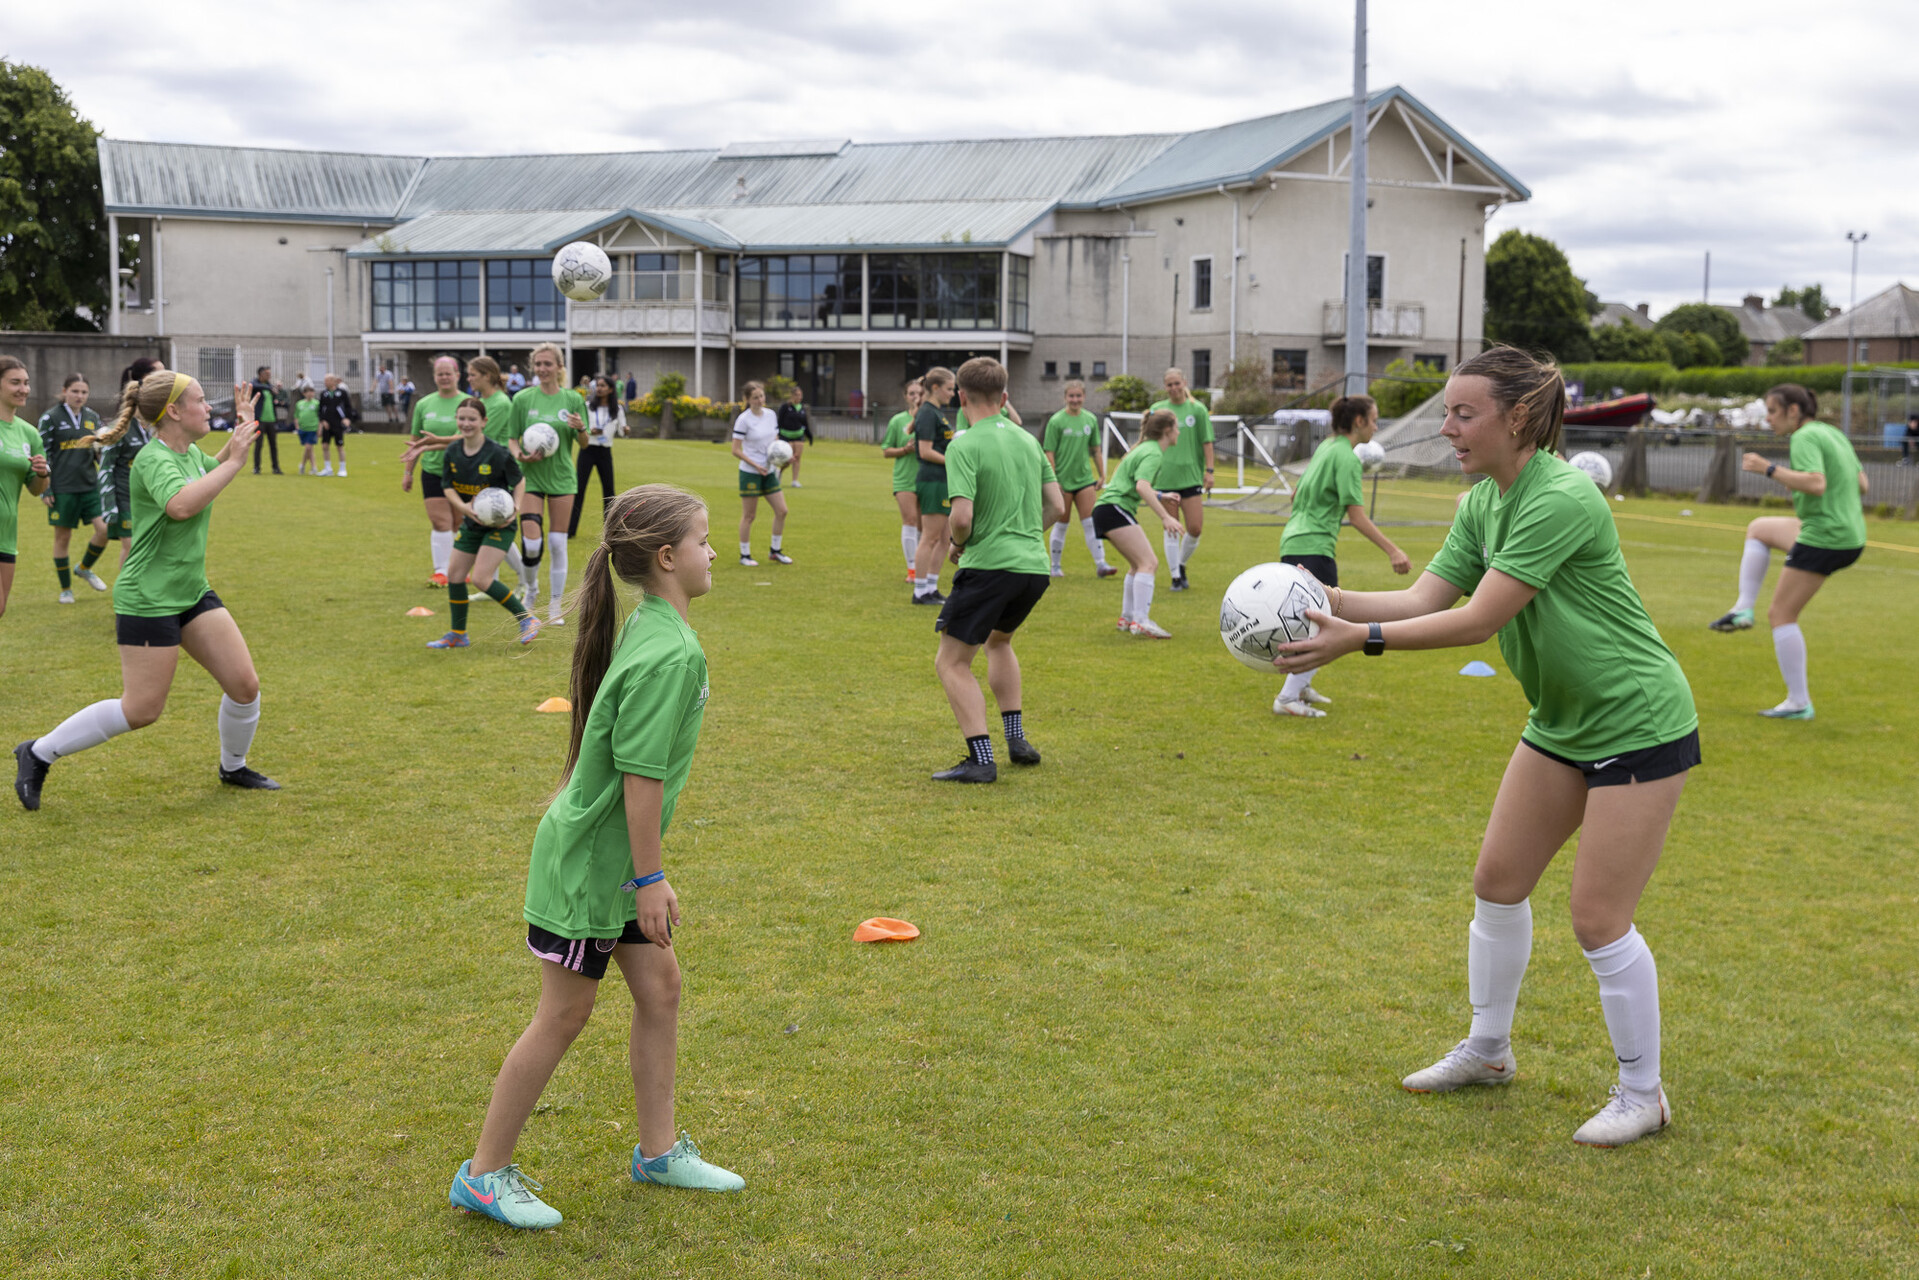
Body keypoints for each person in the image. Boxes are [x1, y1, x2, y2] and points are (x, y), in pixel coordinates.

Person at [1274, 346, 1696, 1148]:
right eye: (1446, 412)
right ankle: (1488, 1050)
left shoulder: (1560, 496)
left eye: (1462, 414)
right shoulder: (1480, 502)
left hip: (1636, 720)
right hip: (1560, 721)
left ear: (1518, 418)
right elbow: (1421, 597)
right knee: (1497, 884)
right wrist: (1320, 595)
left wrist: (1357, 639)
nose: (1446, 428)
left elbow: (1476, 620)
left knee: (1597, 918)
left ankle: (1643, 1094)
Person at [449, 483, 743, 1231]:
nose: (714, 553)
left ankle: (658, 1152)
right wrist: (650, 877)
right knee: (565, 1012)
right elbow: (641, 780)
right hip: (591, 866)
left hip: (614, 861)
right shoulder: (667, 651)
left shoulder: (658, 626)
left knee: (661, 988)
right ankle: (482, 1175)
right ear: (668, 557)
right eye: (704, 540)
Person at [15, 371, 279, 810]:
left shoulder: (187, 453)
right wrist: (235, 462)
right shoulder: (153, 459)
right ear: (173, 411)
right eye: (200, 400)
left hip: (190, 590)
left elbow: (208, 471)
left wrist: (241, 430)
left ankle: (233, 767)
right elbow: (181, 505)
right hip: (148, 598)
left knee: (245, 686)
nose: (208, 407)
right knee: (141, 710)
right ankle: (38, 752)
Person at [931, 358, 1064, 783]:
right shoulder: (1028, 441)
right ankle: (1017, 739)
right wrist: (1025, 536)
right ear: (1005, 397)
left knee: (951, 662)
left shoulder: (963, 445)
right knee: (999, 641)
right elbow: (1057, 506)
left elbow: (962, 518)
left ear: (961, 397)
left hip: (989, 566)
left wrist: (958, 544)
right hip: (1033, 567)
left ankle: (981, 759)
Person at [1707, 383, 1868, 720]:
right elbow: (1862, 484)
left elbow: (1816, 483)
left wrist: (1768, 469)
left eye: (1772, 411)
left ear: (1793, 411)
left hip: (1825, 536)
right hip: (1850, 534)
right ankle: (1742, 609)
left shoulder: (1804, 437)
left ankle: (1798, 703)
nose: (1767, 418)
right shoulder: (1832, 433)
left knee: (1781, 615)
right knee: (1759, 528)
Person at [1272, 393, 1411, 718]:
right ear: (1359, 421)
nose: (1376, 427)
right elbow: (1357, 517)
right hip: (1315, 547)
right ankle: (1288, 697)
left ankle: (1300, 686)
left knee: (1314, 622)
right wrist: (1393, 550)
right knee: (1326, 625)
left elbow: (1296, 494)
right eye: (1374, 420)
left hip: (1292, 541)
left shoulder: (1326, 447)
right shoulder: (1347, 458)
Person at [402, 397, 540, 649]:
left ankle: (527, 618)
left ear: (483, 422)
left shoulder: (497, 453)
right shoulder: (452, 452)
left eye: (472, 419)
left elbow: (519, 481)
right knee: (454, 575)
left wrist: (516, 507)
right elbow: (447, 487)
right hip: (472, 522)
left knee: (481, 578)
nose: (466, 423)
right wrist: (464, 508)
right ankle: (458, 634)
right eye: (462, 418)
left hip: (500, 525)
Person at [507, 342, 589, 621]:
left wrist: (581, 428)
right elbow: (512, 438)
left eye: (548, 364)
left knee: (557, 542)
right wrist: (519, 454)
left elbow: (584, 443)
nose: (542, 369)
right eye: (538, 364)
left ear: (559, 367)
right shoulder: (522, 399)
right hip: (529, 477)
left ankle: (555, 605)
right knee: (532, 544)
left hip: (562, 479)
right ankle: (531, 591)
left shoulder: (573, 399)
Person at [1090, 409, 1183, 638]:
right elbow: (1141, 486)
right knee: (1149, 563)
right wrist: (1166, 517)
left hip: (1106, 509)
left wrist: (1160, 495)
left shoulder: (1144, 448)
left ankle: (1127, 617)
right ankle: (1141, 622)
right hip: (1114, 508)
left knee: (1137, 564)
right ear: (1167, 430)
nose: (1179, 432)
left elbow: (1133, 483)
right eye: (1177, 427)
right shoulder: (1153, 452)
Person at [37, 373, 112, 602]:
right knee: (63, 538)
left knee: (105, 530)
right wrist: (45, 488)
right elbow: (43, 453)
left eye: (84, 392)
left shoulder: (93, 418)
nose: (79, 396)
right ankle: (66, 590)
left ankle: (84, 568)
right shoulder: (50, 418)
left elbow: (100, 452)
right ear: (64, 391)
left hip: (90, 486)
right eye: (75, 391)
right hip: (62, 488)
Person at [1148, 367, 1215, 591]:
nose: (1174, 388)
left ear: (1184, 382)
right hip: (1165, 477)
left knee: (1195, 528)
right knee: (1171, 529)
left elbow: (1207, 441)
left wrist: (1210, 471)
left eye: (1177, 383)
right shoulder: (1158, 410)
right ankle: (1176, 578)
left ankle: (1181, 564)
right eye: (1169, 384)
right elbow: (1149, 441)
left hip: (1191, 477)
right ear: (1164, 387)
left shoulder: (1197, 409)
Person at [1042, 379, 1116, 579]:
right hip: (1063, 481)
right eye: (1071, 396)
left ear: (1084, 397)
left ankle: (1101, 564)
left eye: (1078, 396)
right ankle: (1055, 566)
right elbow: (1049, 452)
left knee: (1091, 521)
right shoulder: (1056, 421)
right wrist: (1054, 480)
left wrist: (1102, 474)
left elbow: (1096, 449)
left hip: (1084, 480)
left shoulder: (1090, 419)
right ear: (1065, 397)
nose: (1075, 400)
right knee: (1062, 523)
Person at [95, 355, 164, 569]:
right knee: (132, 547)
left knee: (151, 550)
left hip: (151, 498)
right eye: (158, 373)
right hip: (125, 499)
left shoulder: (156, 425)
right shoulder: (120, 428)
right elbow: (105, 468)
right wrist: (109, 506)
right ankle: (125, 589)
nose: (164, 377)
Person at [404, 356, 466, 587]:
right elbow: (415, 441)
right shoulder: (424, 404)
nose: (444, 377)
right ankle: (441, 571)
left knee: (459, 522)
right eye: (440, 374)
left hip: (462, 471)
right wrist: (408, 472)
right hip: (432, 471)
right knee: (441, 522)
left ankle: (460, 569)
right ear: (434, 377)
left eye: (448, 373)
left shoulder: (468, 402)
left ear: (457, 375)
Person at [0, 356, 53, 621]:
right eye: (15, 382)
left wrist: (42, 473)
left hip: (7, 534)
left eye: (26, 383)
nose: (24, 389)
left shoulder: (29, 433)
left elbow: (36, 488)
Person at [729, 382, 790, 567]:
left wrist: (782, 458)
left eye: (761, 396)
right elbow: (735, 450)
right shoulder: (743, 419)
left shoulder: (771, 415)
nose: (760, 400)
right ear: (747, 399)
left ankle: (775, 551)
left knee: (782, 511)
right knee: (749, 515)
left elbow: (775, 442)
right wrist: (756, 466)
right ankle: (745, 555)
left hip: (769, 471)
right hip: (750, 473)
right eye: (755, 397)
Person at [911, 367, 958, 605]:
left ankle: (931, 587)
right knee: (929, 537)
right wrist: (953, 460)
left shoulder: (936, 412)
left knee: (944, 539)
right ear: (936, 388)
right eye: (949, 389)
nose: (953, 393)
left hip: (943, 480)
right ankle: (919, 591)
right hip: (932, 480)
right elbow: (925, 451)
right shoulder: (928, 413)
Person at [881, 379, 925, 581]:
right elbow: (886, 450)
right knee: (910, 520)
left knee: (923, 526)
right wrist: (905, 450)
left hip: (927, 478)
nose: (916, 397)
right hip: (905, 478)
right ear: (905, 397)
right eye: (912, 393)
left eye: (919, 393)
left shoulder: (930, 418)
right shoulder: (898, 421)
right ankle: (912, 570)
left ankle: (922, 566)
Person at [570, 375, 623, 538]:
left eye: (603, 386)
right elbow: (582, 426)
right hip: (587, 449)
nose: (599, 388)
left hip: (604, 451)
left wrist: (626, 430)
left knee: (609, 491)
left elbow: (622, 430)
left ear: (610, 389)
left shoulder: (617, 409)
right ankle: (570, 531)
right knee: (579, 489)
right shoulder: (588, 407)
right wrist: (588, 430)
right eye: (598, 385)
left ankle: (610, 531)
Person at [248, 365, 283, 476]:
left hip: (271, 420)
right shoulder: (256, 385)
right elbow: (254, 385)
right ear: (260, 374)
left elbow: (275, 396)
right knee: (259, 444)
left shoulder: (269, 386)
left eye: (269, 374)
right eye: (267, 374)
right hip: (260, 420)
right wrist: (269, 388)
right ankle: (257, 467)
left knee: (273, 445)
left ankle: (276, 467)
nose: (269, 376)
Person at [317, 374, 353, 476]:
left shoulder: (342, 393)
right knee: (325, 445)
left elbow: (348, 407)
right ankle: (328, 468)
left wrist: (347, 418)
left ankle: (342, 469)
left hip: (337, 423)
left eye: (327, 380)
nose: (325, 382)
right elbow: (321, 409)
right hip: (327, 424)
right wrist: (323, 420)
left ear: (333, 381)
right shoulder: (323, 394)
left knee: (339, 446)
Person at [776, 384, 811, 488]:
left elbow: (805, 423)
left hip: (798, 435)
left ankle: (795, 480)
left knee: (797, 458)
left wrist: (809, 435)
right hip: (786, 435)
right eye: (797, 395)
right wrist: (778, 435)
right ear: (792, 395)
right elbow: (779, 421)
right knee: (788, 458)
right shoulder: (785, 407)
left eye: (800, 395)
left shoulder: (802, 408)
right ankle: (779, 471)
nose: (799, 397)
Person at [293, 386, 321, 475]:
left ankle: (308, 466)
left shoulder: (316, 403)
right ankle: (307, 466)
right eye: (308, 392)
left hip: (312, 428)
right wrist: (297, 426)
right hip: (302, 428)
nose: (310, 394)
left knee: (308, 447)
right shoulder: (299, 404)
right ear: (304, 393)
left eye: (312, 392)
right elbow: (296, 416)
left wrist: (319, 428)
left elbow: (320, 417)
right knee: (309, 449)